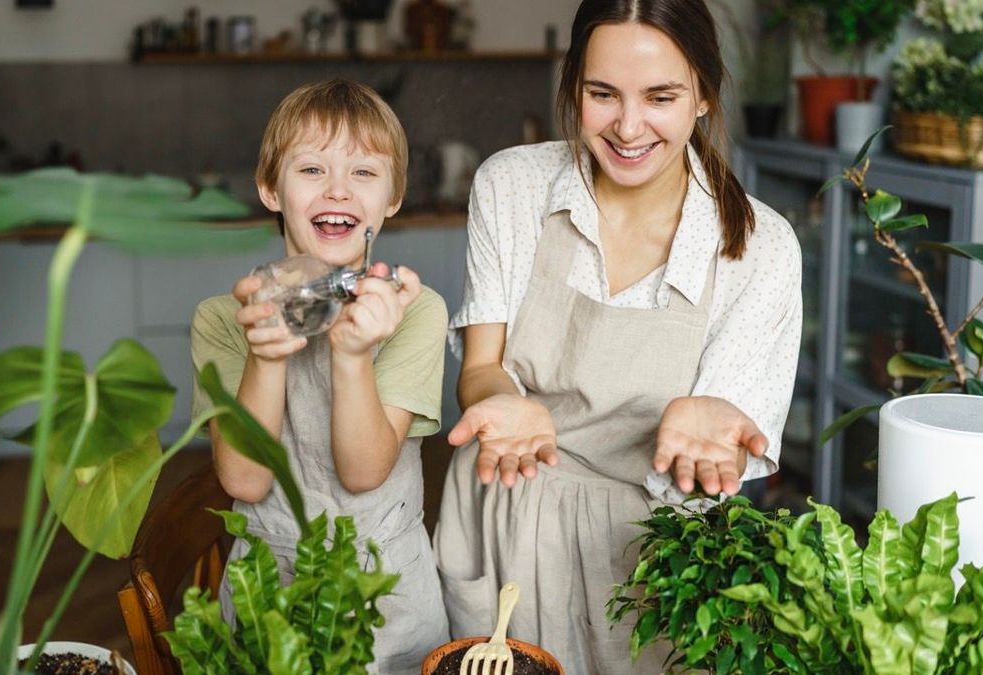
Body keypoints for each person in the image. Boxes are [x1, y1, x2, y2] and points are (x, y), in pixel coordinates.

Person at [433, 0, 802, 672]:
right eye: (602, 94)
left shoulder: (762, 248)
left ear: (703, 96)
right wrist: (498, 397)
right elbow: (482, 368)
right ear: (573, 86)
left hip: (652, 553)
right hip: (507, 517)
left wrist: (705, 432)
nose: (628, 127)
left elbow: (715, 458)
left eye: (661, 96)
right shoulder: (511, 186)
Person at [189, 78, 450, 674]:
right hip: (265, 591)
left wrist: (353, 354)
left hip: (388, 594)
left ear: (392, 199)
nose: (338, 189)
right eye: (311, 170)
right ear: (269, 189)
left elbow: (364, 473)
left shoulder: (417, 311)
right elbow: (246, 480)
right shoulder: (223, 321)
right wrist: (267, 355)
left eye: (364, 172)